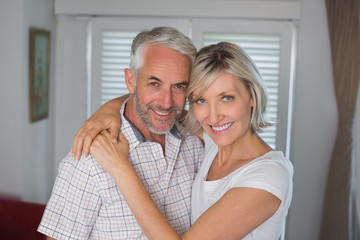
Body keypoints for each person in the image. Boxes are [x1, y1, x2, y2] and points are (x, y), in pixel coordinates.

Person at [77, 42, 294, 239]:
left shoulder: (269, 175)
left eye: (226, 98)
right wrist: (109, 109)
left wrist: (120, 168)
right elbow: (157, 105)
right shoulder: (212, 141)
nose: (214, 116)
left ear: (253, 97)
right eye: (201, 100)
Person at [37, 26, 204, 239]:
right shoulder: (89, 157)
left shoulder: (195, 140)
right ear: (130, 81)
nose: (166, 102)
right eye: (154, 83)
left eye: (179, 87)